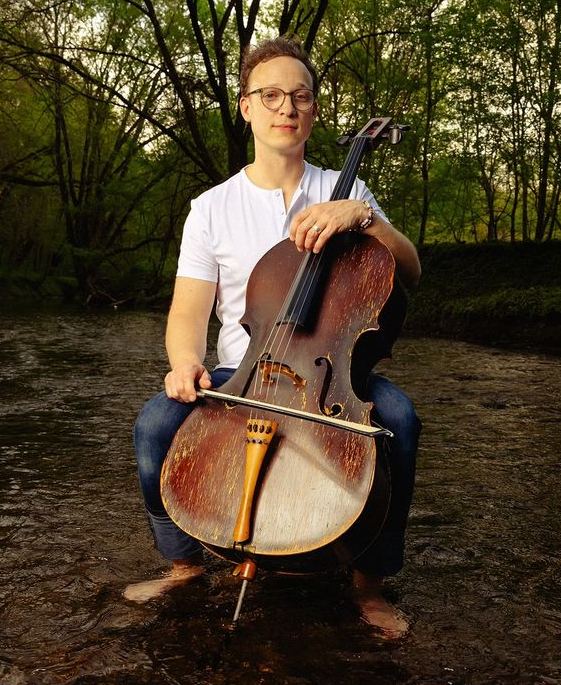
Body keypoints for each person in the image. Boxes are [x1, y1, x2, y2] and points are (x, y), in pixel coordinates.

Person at [128, 36, 421, 637]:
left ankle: (370, 583)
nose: (286, 107)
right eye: (271, 95)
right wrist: (184, 363)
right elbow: (188, 312)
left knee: (402, 420)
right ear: (246, 106)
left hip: (332, 375)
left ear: (313, 109)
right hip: (245, 374)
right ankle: (184, 564)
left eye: (300, 96)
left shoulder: (348, 189)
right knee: (155, 426)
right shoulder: (210, 208)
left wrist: (364, 219)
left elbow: (411, 267)